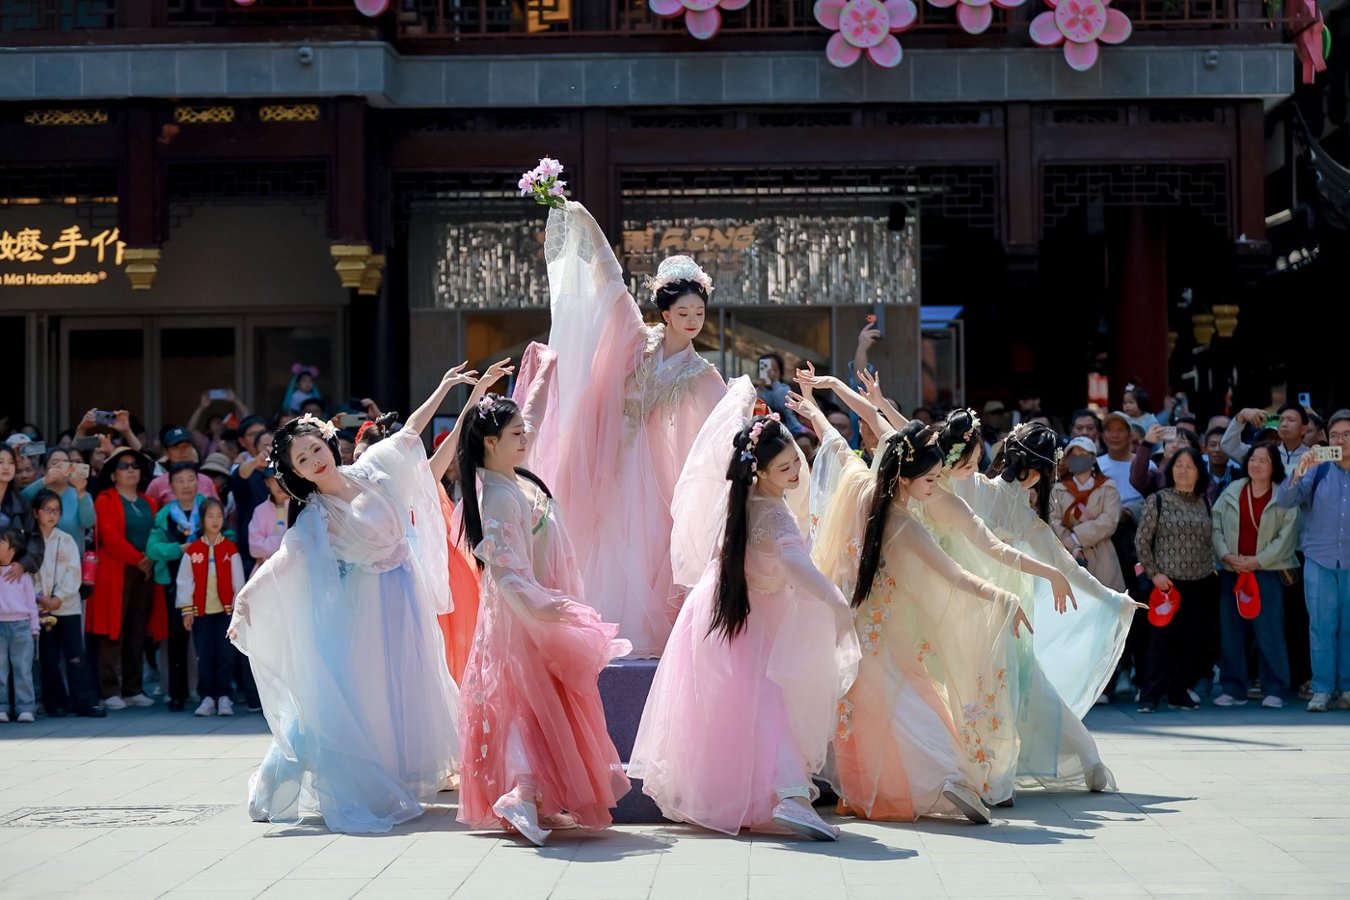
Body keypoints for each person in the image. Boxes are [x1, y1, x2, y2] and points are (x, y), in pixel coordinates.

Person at [230, 367, 467, 834]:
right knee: (362, 695)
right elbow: (283, 561)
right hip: (365, 607)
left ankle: (396, 773)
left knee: (406, 684)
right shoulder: (315, 517)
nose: (315, 459)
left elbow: (412, 432)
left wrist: (444, 387)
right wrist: (245, 600)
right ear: (295, 473)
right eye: (303, 459)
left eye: (316, 448)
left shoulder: (372, 470)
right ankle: (286, 780)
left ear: (329, 442)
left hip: (404, 596)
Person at [632, 392, 856, 839]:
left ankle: (775, 797)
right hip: (747, 616)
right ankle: (789, 795)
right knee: (767, 703)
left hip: (725, 610)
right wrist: (835, 602)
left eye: (796, 459)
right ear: (761, 472)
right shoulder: (774, 517)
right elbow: (798, 566)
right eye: (785, 467)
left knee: (745, 711)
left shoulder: (743, 504)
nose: (795, 470)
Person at [511, 200, 726, 657]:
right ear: (666, 313)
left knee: (645, 550)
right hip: (607, 462)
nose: (693, 322)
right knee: (595, 541)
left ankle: (639, 643)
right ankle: (589, 635)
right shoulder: (637, 342)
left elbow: (726, 421)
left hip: (651, 477)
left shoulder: (701, 372)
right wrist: (587, 222)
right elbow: (611, 284)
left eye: (699, 314)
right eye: (684, 313)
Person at [802, 400, 1027, 823]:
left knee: (875, 717)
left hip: (855, 631)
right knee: (910, 711)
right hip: (889, 638)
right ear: (904, 477)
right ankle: (942, 780)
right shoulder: (905, 526)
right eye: (930, 478)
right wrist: (1002, 597)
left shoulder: (865, 491)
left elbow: (835, 447)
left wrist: (816, 409)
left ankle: (888, 788)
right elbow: (956, 576)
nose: (935, 485)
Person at [456, 392, 631, 846]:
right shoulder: (496, 494)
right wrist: (542, 607)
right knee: (523, 700)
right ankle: (522, 790)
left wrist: (540, 381)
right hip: (519, 614)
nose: (526, 437)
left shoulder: (506, 483)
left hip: (523, 609)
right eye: (516, 433)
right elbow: (504, 567)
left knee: (530, 702)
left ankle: (533, 796)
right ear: (491, 442)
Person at [942, 422, 1131, 791]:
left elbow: (1065, 568)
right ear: (1041, 472)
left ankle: (997, 774)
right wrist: (1113, 598)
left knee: (1000, 688)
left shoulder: (980, 491)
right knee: (1019, 690)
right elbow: (1067, 569)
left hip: (991, 608)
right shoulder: (1010, 508)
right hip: (987, 605)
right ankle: (1081, 762)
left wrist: (1114, 599)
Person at [1211, 443, 1298, 709]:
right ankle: (1234, 687)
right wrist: (1226, 555)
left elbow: (1288, 535)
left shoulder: (1283, 495)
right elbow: (1215, 525)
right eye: (1253, 459)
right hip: (1232, 570)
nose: (1256, 464)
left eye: (1263, 460)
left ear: (1274, 466)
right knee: (1231, 632)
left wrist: (1257, 560)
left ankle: (1276, 687)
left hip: (1267, 572)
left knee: (1269, 631)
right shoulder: (1231, 491)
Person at [1276, 410, 1350, 712]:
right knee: (1321, 626)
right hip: (1319, 558)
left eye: (1346, 435)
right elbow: (1285, 500)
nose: (1340, 440)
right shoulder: (1316, 469)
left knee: (1348, 627)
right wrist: (1300, 470)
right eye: (1335, 435)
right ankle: (1321, 688)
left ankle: (1346, 687)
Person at [1134, 447, 1216, 713]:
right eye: (1178, 465)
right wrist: (1153, 573)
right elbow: (1142, 541)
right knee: (1160, 641)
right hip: (1166, 584)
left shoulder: (1204, 502)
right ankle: (1149, 695)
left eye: (1190, 466)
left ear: (1199, 472)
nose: (1183, 470)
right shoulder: (1158, 500)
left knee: (1190, 641)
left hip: (1199, 581)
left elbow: (1208, 540)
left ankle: (1178, 692)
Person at [86, 447, 161, 710]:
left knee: (137, 630)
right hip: (115, 572)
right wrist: (140, 558)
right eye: (124, 465)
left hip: (145, 571)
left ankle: (133, 688)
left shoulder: (148, 501)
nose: (131, 469)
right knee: (111, 630)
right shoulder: (105, 499)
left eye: (135, 466)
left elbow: (156, 533)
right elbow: (110, 536)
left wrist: (149, 558)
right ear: (113, 473)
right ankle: (109, 690)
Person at [31, 489, 103, 718]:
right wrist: (41, 597)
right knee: (49, 657)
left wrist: (59, 597)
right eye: (47, 509)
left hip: (68, 605)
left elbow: (74, 572)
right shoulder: (29, 540)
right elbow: (28, 573)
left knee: (75, 655)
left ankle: (84, 702)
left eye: (56, 510)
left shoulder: (66, 539)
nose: (52, 515)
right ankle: (55, 703)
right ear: (35, 512)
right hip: (40, 605)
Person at [145, 463, 207, 712]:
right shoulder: (165, 514)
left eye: (190, 479)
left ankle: (211, 692)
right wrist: (178, 550)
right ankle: (176, 693)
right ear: (171, 486)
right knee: (176, 639)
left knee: (208, 638)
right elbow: (152, 548)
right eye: (180, 480)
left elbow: (228, 534)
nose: (186, 485)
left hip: (209, 580)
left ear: (198, 482)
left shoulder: (208, 507)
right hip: (175, 584)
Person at [178, 499, 245, 718]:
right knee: (204, 655)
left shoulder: (229, 548)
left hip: (225, 612)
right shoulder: (194, 550)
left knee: (225, 654)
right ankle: (207, 697)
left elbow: (239, 581)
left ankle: (225, 696)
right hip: (201, 612)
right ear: (202, 519)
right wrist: (187, 610)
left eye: (219, 516)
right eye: (210, 516)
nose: (215, 520)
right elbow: (185, 581)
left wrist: (239, 610)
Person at [1051, 436, 1126, 593]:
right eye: (1074, 455)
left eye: (1083, 453)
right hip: (1068, 554)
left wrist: (1077, 538)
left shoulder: (1108, 487)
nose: (1078, 458)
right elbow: (1053, 520)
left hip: (1102, 553)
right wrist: (1072, 546)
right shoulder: (1058, 489)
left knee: (1106, 601)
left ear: (1093, 459)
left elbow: (1109, 520)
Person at [0, 527, 39, 723]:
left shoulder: (23, 575)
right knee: (0, 670)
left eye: (2, 541)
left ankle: (25, 706)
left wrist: (35, 628)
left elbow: (31, 604)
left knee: (23, 668)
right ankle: (2, 707)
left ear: (13, 549)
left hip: (22, 626)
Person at [21, 448, 95, 546]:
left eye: (65, 463)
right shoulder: (37, 492)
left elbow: (89, 522)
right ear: (43, 469)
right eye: (55, 463)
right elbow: (21, 500)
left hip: (71, 558)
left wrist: (81, 492)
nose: (61, 467)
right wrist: (45, 480)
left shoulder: (81, 494)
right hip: (37, 557)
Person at [0, 445, 45, 579]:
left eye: (11, 462)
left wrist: (22, 564)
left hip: (11, 577)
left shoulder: (22, 503)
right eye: (0, 462)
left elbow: (35, 541)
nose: (6, 467)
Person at [1223, 403, 1310, 470]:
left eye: (1291, 420)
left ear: (1303, 429)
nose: (1284, 424)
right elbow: (1228, 446)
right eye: (1281, 420)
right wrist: (1241, 415)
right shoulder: (1258, 454)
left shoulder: (1315, 455)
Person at [187, 390, 249, 459]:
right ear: (209, 429)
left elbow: (247, 418)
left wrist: (235, 400)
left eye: (220, 421)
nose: (218, 423)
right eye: (214, 422)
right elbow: (190, 430)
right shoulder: (205, 442)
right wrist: (201, 407)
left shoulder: (233, 439)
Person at [246, 468, 289, 566]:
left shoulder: (298, 507)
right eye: (274, 480)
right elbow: (254, 547)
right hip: (266, 569)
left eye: (281, 478)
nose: (278, 484)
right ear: (267, 482)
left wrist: (267, 546)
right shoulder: (260, 510)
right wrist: (286, 541)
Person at [755, 352, 804, 433]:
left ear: (780, 373)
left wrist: (774, 382)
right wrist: (761, 388)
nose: (770, 373)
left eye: (774, 370)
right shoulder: (757, 391)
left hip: (791, 429)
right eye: (766, 369)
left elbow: (780, 404)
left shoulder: (785, 389)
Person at [1204, 426, 1241, 504]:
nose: (1217, 450)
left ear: (1231, 449)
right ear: (1205, 448)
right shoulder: (1197, 473)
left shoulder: (1240, 477)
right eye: (1212, 445)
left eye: (1223, 446)